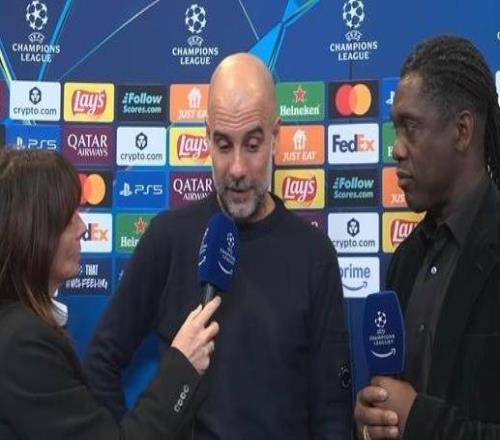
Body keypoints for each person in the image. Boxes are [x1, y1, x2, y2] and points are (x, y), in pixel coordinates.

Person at [84, 52, 352, 439]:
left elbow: (332, 415)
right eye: (224, 145)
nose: (237, 168)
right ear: (207, 137)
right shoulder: (167, 239)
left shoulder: (314, 255)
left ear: (276, 138)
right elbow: (99, 364)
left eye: (253, 145)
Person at [0, 149, 221, 440]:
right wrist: (182, 364)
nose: (82, 228)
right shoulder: (22, 345)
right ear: (33, 232)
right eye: (68, 218)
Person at [354, 35, 500, 439]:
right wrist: (370, 423)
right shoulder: (406, 261)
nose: (396, 150)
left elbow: (415, 414)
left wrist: (418, 419)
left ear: (462, 131)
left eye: (411, 128)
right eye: (396, 129)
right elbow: (393, 400)